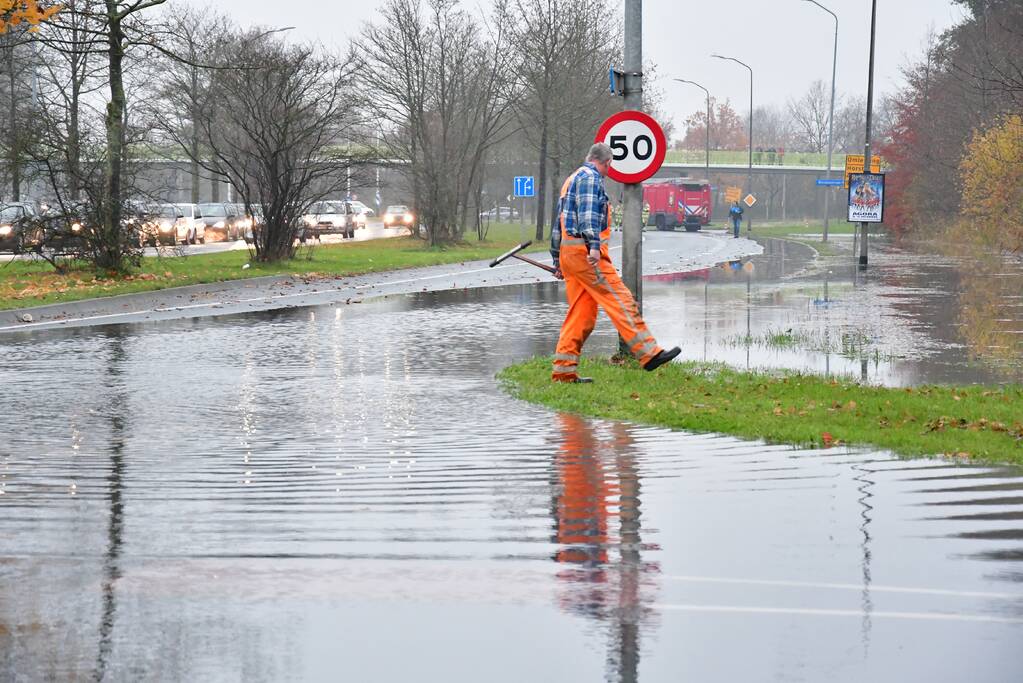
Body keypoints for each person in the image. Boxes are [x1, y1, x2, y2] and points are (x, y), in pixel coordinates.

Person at [549, 143, 680, 384]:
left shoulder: (571, 179)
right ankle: (649, 353)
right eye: (610, 166)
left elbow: (557, 224)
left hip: (570, 254)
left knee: (581, 314)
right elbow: (588, 217)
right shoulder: (591, 178)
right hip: (586, 254)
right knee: (621, 300)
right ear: (607, 162)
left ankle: (564, 371)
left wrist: (557, 259)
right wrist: (595, 247)